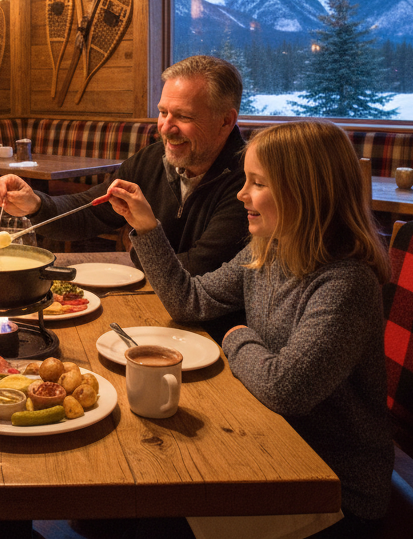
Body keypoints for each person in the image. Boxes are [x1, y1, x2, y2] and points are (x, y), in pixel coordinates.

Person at [105, 119, 392, 538]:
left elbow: (285, 389)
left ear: (305, 194)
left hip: (333, 488)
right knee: (121, 496)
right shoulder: (268, 249)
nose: (241, 194)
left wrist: (236, 336)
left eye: (257, 183)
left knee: (139, 510)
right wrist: (148, 229)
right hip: (272, 443)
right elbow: (190, 301)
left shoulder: (345, 283)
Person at [0, 55, 248, 277]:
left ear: (226, 121)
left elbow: (196, 271)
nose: (166, 128)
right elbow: (91, 211)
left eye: (183, 116)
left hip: (213, 328)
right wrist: (35, 204)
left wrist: (138, 247)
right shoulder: (152, 159)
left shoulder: (249, 182)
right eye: (163, 112)